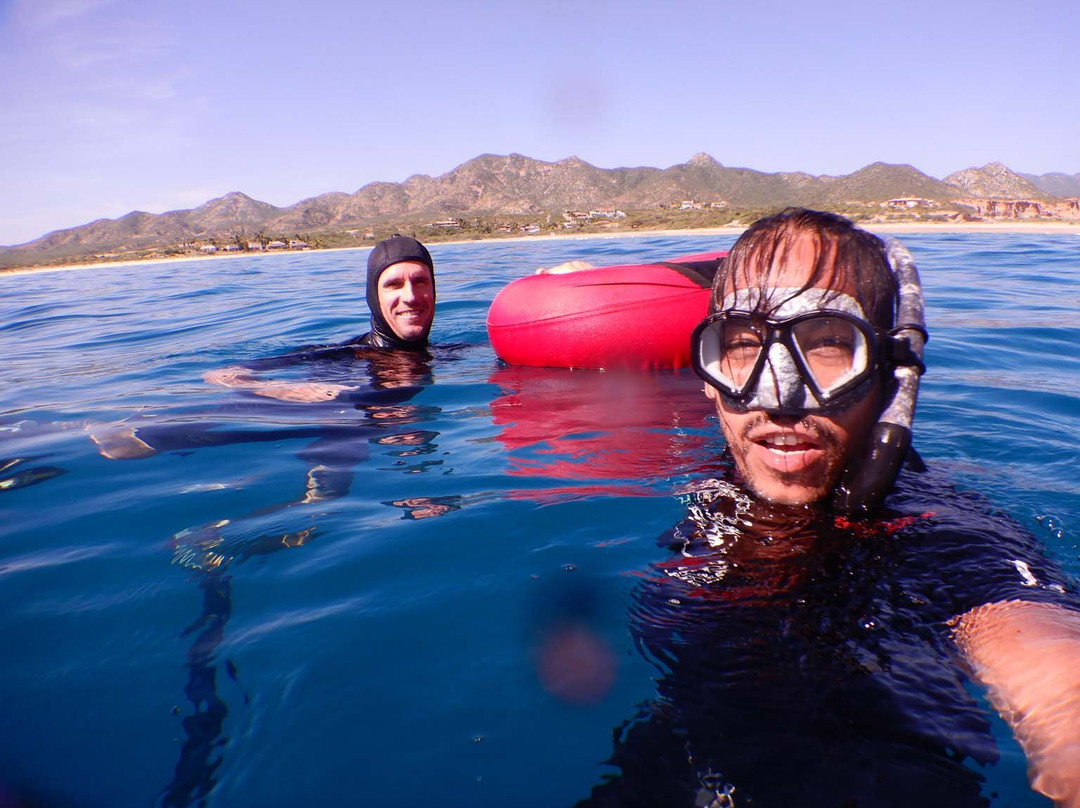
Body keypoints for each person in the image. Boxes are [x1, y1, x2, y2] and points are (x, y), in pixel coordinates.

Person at [575, 209, 1080, 807]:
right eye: (742, 345)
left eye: (828, 345)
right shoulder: (705, 479)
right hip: (669, 759)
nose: (779, 396)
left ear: (887, 377)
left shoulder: (940, 539)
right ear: (706, 378)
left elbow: (1051, 674)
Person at [201, 234, 437, 403]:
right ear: (374, 296)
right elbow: (219, 375)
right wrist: (292, 391)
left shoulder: (451, 353)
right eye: (393, 285)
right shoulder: (339, 356)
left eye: (420, 282)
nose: (410, 296)